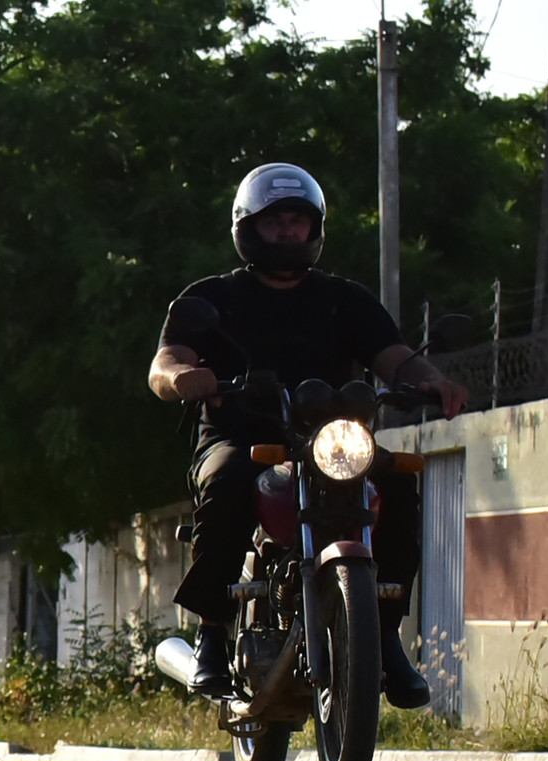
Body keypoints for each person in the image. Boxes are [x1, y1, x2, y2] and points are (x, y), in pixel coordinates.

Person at [149, 163, 469, 703]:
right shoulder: (213, 298)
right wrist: (182, 376)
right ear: (248, 226)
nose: (289, 232)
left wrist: (433, 382)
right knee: (227, 481)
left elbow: (395, 359)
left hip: (331, 443)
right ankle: (210, 635)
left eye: (299, 222)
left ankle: (384, 639)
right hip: (240, 437)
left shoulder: (345, 298)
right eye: (276, 222)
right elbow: (164, 363)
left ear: (315, 229)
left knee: (396, 484)